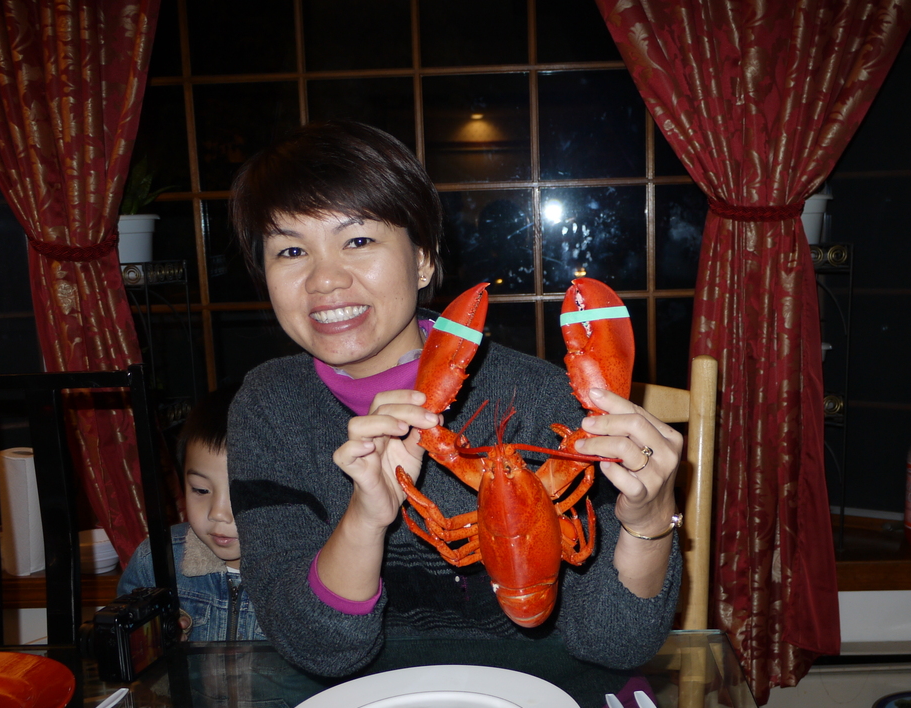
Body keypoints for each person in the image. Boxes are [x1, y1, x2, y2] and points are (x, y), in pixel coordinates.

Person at [226, 121, 682, 679]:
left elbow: (615, 645)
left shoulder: (546, 400)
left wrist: (649, 521)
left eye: (358, 241)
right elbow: (318, 650)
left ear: (422, 257)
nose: (324, 280)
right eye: (291, 250)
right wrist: (365, 520)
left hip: (540, 698)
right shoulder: (268, 407)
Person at [118, 384, 265, 642]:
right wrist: (152, 642)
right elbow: (123, 643)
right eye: (200, 490)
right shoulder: (156, 561)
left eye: (243, 493)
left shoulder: (316, 571)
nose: (218, 513)